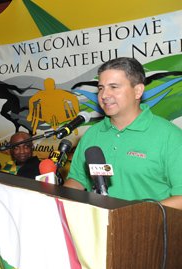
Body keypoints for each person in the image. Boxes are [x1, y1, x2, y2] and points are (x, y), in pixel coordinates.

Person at [64, 57, 182, 210]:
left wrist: (134, 215)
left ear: (138, 90)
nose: (104, 95)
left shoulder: (170, 136)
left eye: (113, 87)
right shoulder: (92, 134)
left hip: (150, 229)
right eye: (101, 88)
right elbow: (77, 180)